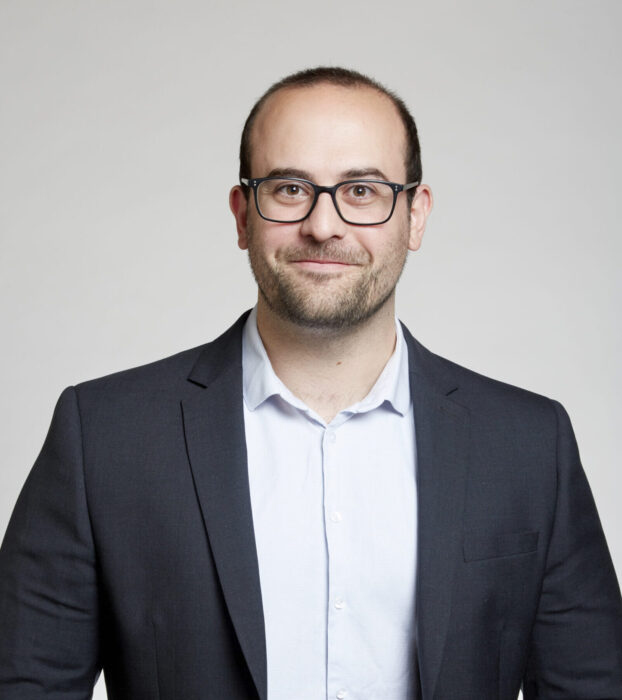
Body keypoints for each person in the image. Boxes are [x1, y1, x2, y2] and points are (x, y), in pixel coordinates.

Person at [0, 66, 620, 700]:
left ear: (415, 216)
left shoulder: (529, 445)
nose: (324, 225)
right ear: (243, 216)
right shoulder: (104, 436)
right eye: (290, 188)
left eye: (362, 190)